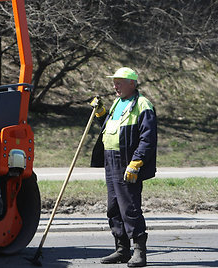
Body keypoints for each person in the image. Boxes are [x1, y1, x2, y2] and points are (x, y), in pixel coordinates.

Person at [90, 67, 157, 267]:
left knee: (129, 206)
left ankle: (139, 251)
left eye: (119, 82)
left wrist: (137, 161)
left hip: (127, 160)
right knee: (114, 206)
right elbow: (110, 127)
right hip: (110, 160)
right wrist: (101, 112)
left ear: (132, 84)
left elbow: (148, 138)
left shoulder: (143, 105)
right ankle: (122, 249)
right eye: (114, 82)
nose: (115, 86)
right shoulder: (118, 103)